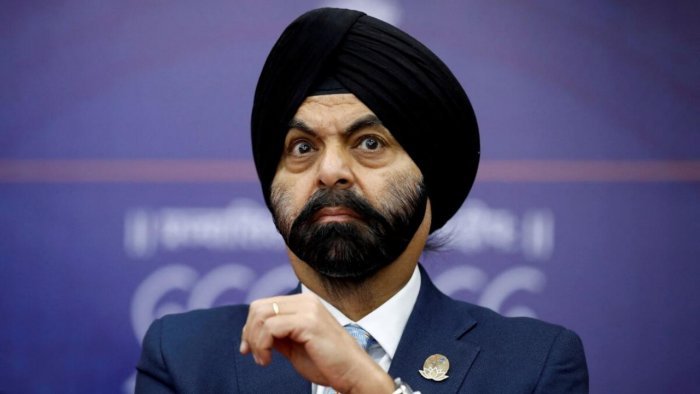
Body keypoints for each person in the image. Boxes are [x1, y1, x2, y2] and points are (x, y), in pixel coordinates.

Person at [135, 8, 588, 393]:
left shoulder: (534, 365)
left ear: (430, 175)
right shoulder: (184, 357)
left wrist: (365, 383)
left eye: (369, 143)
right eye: (302, 147)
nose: (330, 171)